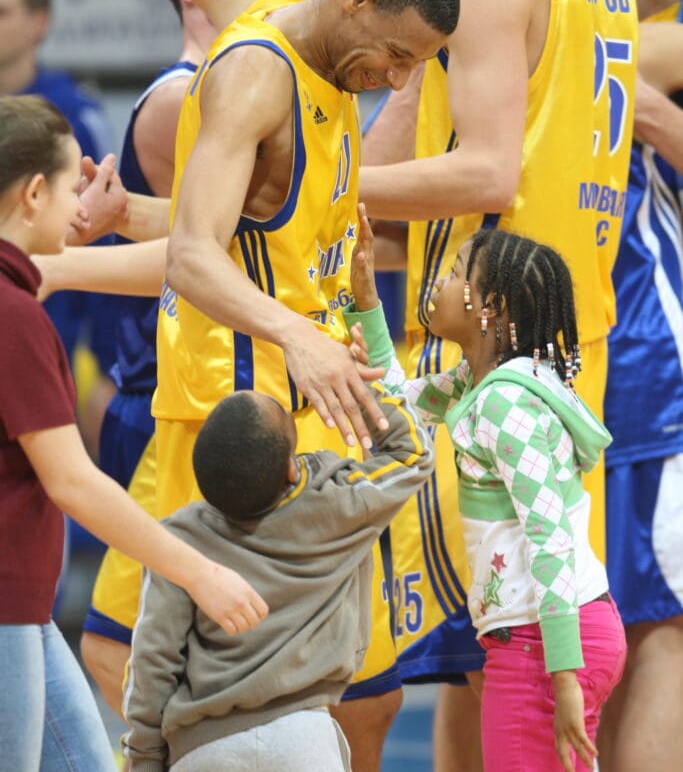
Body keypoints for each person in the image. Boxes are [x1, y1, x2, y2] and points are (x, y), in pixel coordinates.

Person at [79, 0, 460, 772]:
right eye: (400, 58)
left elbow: (217, 244)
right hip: (253, 409)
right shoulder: (279, 48)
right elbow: (225, 238)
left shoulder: (271, 58)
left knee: (234, 695)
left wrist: (313, 326)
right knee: (142, 663)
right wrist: (131, 212)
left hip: (255, 433)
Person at [358, 0, 638, 768]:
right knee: (519, 639)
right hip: (570, 340)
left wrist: (333, 188)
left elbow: (485, 170)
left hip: (490, 342)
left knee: (471, 643)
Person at [79, 0, 306, 712]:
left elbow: (198, 255)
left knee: (237, 681)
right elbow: (225, 231)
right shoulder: (270, 50)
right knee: (118, 649)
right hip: (199, 388)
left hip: (229, 394)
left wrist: (59, 267)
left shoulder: (244, 65)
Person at [0, 95, 268, 772]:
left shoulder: (20, 299)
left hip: (21, 606)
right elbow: (73, 482)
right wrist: (200, 573)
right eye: (70, 190)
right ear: (34, 193)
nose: (81, 211)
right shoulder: (13, 316)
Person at [344, 207, 627, 772]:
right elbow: (396, 404)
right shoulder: (477, 385)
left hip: (543, 643)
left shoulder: (505, 404)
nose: (438, 285)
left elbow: (548, 535)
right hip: (537, 638)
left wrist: (564, 675)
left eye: (453, 274)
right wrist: (367, 300)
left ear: (489, 308)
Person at [121, 371, 434, 771]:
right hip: (305, 741)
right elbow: (412, 454)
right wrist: (354, 382)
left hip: (202, 749)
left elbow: (153, 659)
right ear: (289, 470)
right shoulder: (336, 505)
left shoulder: (179, 543)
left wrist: (143, 756)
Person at [81, 0, 217, 656]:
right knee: (139, 647)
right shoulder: (182, 98)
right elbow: (201, 253)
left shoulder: (241, 85)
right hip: (165, 398)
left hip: (209, 392)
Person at [595, 0, 683, 772]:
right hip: (561, 360)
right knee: (521, 650)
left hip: (648, 358)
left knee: (654, 624)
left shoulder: (551, 5)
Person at [0, 0, 119, 448]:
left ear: (38, 22)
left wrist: (113, 366)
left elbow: (103, 230)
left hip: (50, 337)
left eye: (2, 12)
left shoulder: (72, 117)